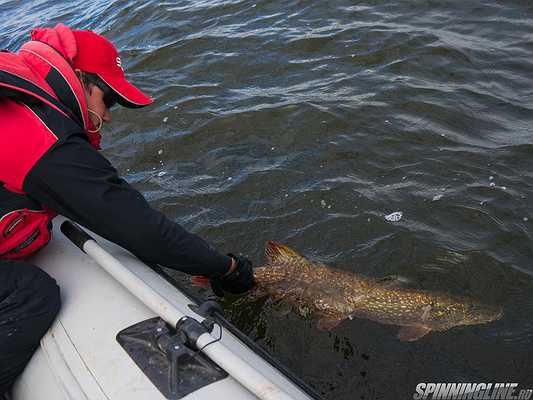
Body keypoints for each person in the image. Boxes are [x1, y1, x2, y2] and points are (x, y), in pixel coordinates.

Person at [0, 24, 255, 395]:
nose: (110, 115)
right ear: (81, 78)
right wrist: (226, 268)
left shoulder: (20, 87)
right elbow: (138, 226)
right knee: (31, 295)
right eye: (109, 100)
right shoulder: (43, 136)